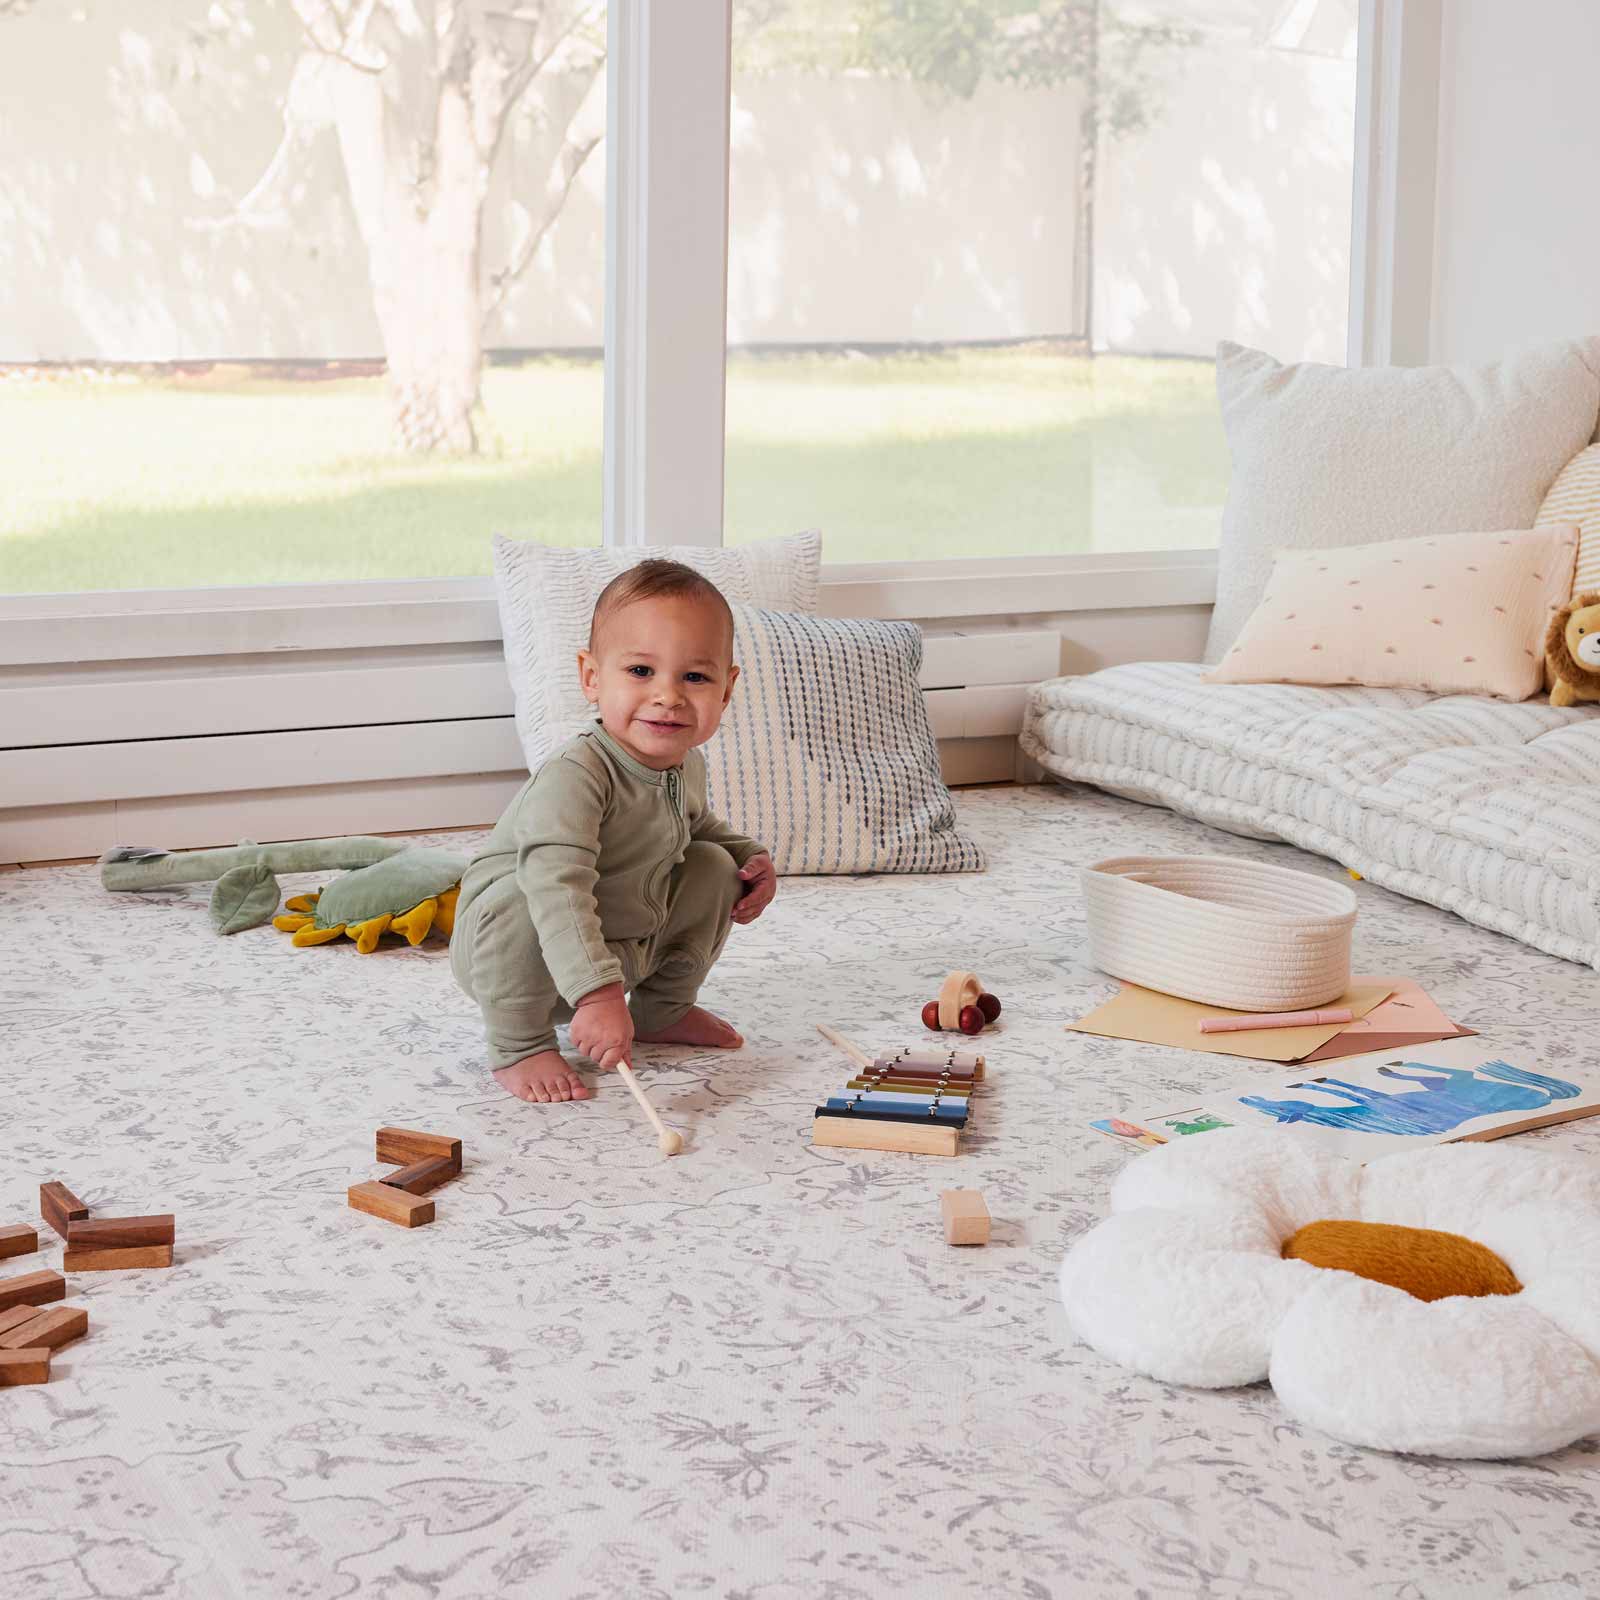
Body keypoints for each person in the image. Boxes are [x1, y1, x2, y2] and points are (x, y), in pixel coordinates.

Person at [451, 560, 776, 1103]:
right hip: (521, 961)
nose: (668, 696)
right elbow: (558, 888)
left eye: (694, 677)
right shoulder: (576, 775)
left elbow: (694, 824)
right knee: (519, 895)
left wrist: (749, 857)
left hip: (619, 944)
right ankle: (519, 1045)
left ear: (726, 689)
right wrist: (598, 995)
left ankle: (662, 1009)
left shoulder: (683, 763)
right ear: (591, 678)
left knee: (713, 865)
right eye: (641, 672)